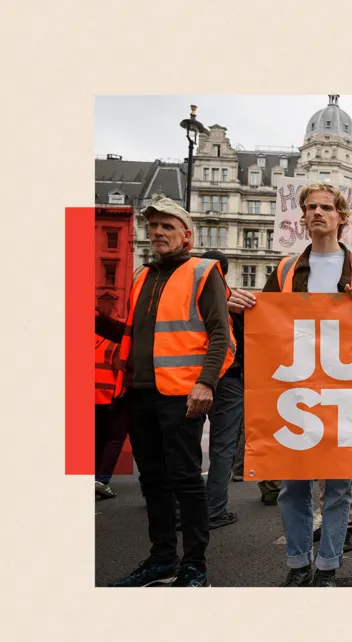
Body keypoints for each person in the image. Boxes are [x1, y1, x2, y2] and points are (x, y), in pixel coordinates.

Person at [227, 183, 352, 587]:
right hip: (295, 393)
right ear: (303, 216)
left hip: (345, 393)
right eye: (310, 207)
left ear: (341, 217)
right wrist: (237, 308)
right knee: (293, 488)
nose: (317, 212)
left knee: (338, 488)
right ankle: (298, 565)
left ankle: (329, 567)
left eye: (325, 207)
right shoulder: (283, 270)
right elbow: (263, 329)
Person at [96, 195, 234, 587]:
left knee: (186, 480)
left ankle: (194, 566)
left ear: (186, 234)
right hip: (140, 393)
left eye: (166, 226)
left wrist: (206, 382)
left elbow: (220, 335)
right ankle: (162, 559)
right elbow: (132, 335)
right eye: (152, 226)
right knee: (152, 480)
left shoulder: (203, 272)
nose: (156, 231)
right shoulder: (142, 276)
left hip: (182, 395)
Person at [198, 250, 243, 529]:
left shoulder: (187, 297)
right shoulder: (234, 299)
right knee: (223, 446)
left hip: (191, 375)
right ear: (224, 271)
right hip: (229, 377)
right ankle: (215, 509)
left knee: (186, 446)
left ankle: (182, 509)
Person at [94, 334, 130, 499]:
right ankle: (101, 480)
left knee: (96, 437)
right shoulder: (113, 343)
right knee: (115, 437)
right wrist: (120, 395)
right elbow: (120, 369)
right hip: (109, 396)